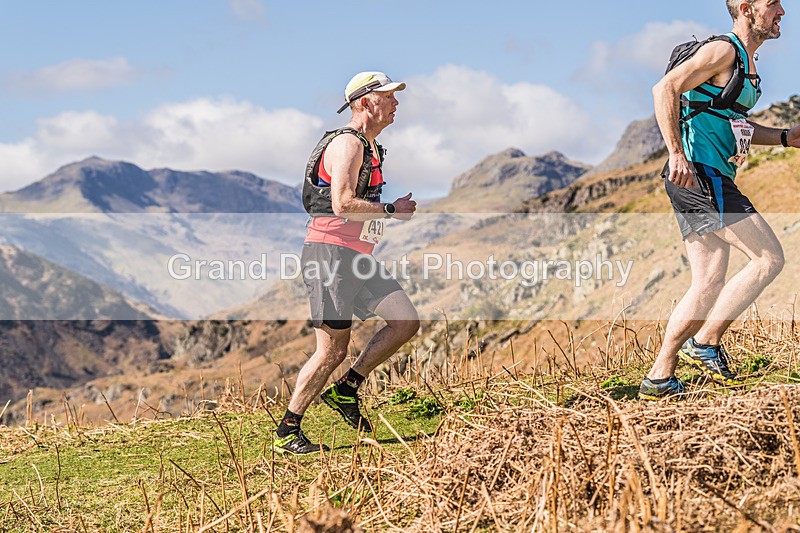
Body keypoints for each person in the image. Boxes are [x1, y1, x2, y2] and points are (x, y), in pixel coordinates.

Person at [640, 0, 798, 400]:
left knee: (707, 284)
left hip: (704, 177)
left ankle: (660, 377)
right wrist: (676, 153)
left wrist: (784, 137)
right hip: (698, 174)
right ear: (747, 9)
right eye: (772, 4)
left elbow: (732, 122)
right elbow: (665, 89)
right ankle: (706, 343)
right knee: (768, 258)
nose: (781, 11)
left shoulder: (746, 62)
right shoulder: (723, 50)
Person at [273, 72, 420, 453]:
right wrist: (391, 209)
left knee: (406, 321)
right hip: (330, 256)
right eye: (388, 96)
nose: (396, 103)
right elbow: (342, 204)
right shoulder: (347, 145)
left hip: (357, 257)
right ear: (366, 103)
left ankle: (346, 388)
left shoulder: (371, 148)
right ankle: (288, 431)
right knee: (332, 350)